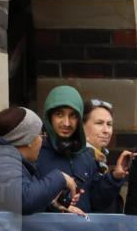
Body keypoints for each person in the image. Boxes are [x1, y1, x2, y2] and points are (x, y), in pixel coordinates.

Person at [0, 107, 82, 215]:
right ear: (29, 140)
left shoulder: (7, 160)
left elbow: (12, 203)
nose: (42, 140)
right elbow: (23, 200)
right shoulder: (1, 161)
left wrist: (52, 205)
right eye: (40, 135)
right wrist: (60, 178)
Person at [37, 85, 128, 213]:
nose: (66, 123)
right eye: (59, 114)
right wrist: (54, 204)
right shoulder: (36, 154)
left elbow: (97, 202)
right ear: (49, 117)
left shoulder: (86, 155)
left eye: (73, 116)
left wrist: (115, 177)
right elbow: (25, 200)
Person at [83, 99, 131, 213]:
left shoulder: (99, 156)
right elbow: (95, 201)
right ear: (82, 126)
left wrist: (116, 175)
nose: (106, 131)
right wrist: (114, 178)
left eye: (109, 124)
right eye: (99, 123)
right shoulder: (80, 157)